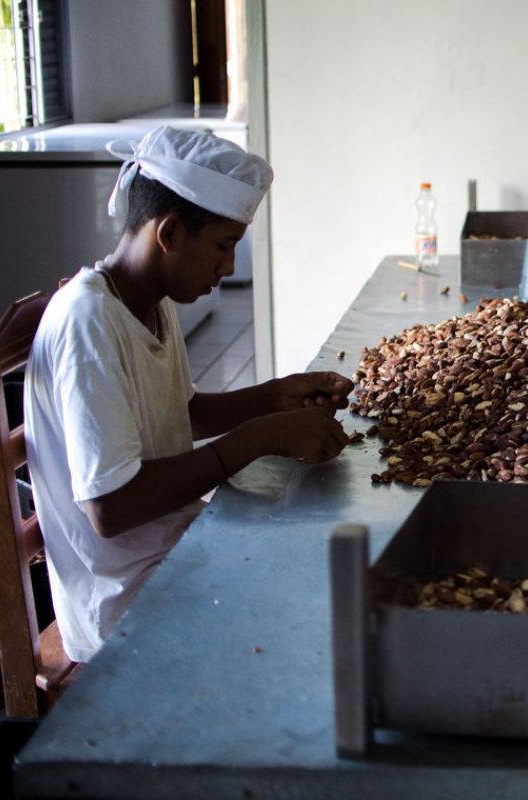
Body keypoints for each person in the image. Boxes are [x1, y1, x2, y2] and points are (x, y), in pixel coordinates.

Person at [24, 126, 354, 663]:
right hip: (122, 598)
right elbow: (110, 507)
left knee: (321, 543)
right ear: (170, 233)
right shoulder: (89, 323)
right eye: (223, 247)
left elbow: (183, 413)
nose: (227, 269)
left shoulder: (149, 301)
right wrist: (257, 438)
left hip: (174, 547)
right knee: (316, 606)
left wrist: (275, 396)